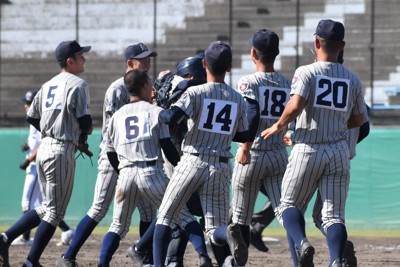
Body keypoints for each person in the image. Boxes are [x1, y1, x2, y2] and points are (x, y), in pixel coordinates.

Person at [261, 19, 365, 267]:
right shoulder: (353, 78)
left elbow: (296, 106)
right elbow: (359, 118)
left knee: (288, 204)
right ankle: (336, 260)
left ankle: (303, 244)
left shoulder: (306, 72)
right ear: (342, 46)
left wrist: (279, 125)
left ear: (316, 42)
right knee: (333, 216)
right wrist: (337, 125)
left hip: (308, 148)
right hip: (338, 150)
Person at [57, 43, 158, 267]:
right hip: (113, 157)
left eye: (149, 58)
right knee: (99, 208)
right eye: (143, 59)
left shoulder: (147, 87)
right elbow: (114, 129)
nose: (148, 62)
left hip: (137, 159)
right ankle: (68, 256)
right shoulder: (117, 89)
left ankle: (146, 257)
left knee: (149, 211)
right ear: (129, 63)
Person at [153, 41, 250, 267]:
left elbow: (170, 118)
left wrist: (166, 103)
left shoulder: (195, 92)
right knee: (215, 228)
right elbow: (243, 133)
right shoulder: (238, 99)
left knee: (165, 217)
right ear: (229, 67)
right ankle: (229, 235)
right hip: (220, 165)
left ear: (205, 63)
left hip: (192, 160)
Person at [97, 69, 207, 266]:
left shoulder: (117, 116)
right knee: (182, 215)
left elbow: (110, 152)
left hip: (126, 174)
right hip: (151, 173)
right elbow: (167, 146)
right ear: (144, 87)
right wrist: (182, 166)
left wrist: (122, 172)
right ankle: (202, 256)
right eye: (150, 84)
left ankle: (102, 263)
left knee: (118, 226)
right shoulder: (156, 113)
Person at [0, 40, 92, 267]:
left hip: (45, 149)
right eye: (81, 56)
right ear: (70, 61)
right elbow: (86, 123)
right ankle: (31, 261)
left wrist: (51, 129)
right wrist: (79, 135)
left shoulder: (48, 84)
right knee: (55, 212)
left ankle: (5, 238)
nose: (85, 59)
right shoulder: (78, 84)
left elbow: (32, 116)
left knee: (49, 207)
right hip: (60, 150)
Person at [125, 54, 214, 267]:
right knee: (177, 208)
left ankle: (170, 257)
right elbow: (172, 117)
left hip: (183, 155)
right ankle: (145, 249)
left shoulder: (187, 89)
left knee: (180, 209)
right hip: (175, 155)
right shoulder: (184, 90)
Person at [226, 29, 291, 266]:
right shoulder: (287, 83)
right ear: (277, 53)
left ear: (253, 53)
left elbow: (251, 114)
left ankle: (237, 260)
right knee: (287, 211)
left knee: (240, 217)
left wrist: (245, 145)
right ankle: (300, 246)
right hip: (277, 155)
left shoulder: (247, 81)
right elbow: (290, 118)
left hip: (252, 154)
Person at [12, 91, 75, 248]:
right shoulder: (33, 119)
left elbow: (42, 144)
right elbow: (34, 140)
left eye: (28, 102)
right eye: (26, 103)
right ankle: (66, 230)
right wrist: (27, 145)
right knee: (44, 205)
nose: (26, 106)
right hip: (36, 164)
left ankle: (25, 237)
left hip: (35, 166)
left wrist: (28, 159)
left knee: (27, 203)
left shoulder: (40, 118)